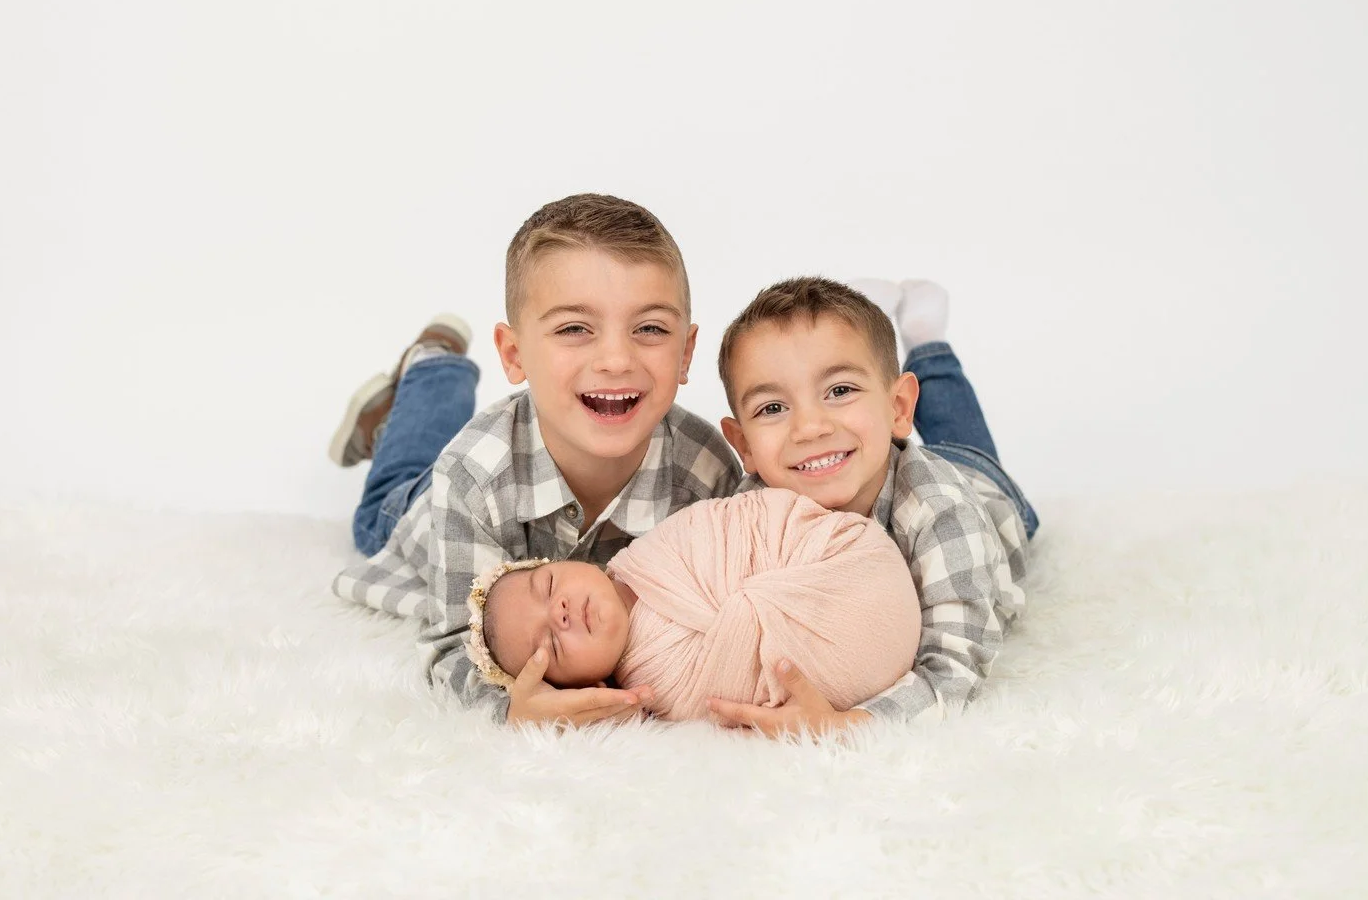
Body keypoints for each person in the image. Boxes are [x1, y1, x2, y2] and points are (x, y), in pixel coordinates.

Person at [327, 193, 742, 727]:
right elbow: (453, 644)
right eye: (574, 329)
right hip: (420, 511)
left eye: (650, 329)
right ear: (514, 354)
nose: (616, 360)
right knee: (391, 493)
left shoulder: (707, 474)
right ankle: (433, 370)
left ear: (685, 353)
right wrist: (510, 709)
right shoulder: (471, 476)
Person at [708, 276, 1039, 736]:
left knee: (959, 434)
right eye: (772, 408)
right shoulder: (751, 506)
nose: (810, 427)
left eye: (839, 390)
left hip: (984, 489)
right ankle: (870, 337)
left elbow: (954, 669)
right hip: (866, 451)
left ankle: (927, 340)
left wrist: (848, 725)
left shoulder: (944, 514)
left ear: (898, 407)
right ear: (743, 444)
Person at [463, 487, 922, 722]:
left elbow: (750, 519)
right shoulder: (643, 695)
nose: (559, 613)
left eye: (547, 585)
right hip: (858, 646)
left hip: (849, 557)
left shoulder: (660, 546)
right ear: (578, 688)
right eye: (550, 646)